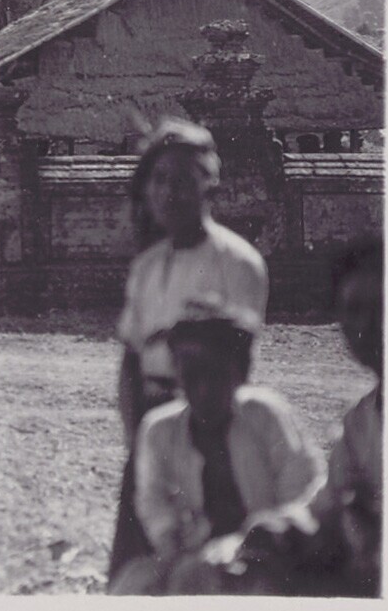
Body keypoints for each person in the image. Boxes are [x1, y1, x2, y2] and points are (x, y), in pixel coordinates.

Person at [107, 119, 269, 584]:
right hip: (151, 426)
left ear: (209, 183)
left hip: (208, 426)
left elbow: (240, 365)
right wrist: (136, 437)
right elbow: (132, 358)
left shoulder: (238, 264)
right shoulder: (146, 268)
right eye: (158, 179)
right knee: (136, 571)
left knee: (208, 566)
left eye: (182, 179)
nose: (168, 192)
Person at [110, 310, 323, 595]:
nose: (204, 390)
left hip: (271, 552)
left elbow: (302, 486)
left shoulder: (265, 415)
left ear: (238, 372)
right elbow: (153, 500)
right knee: (131, 586)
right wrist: (171, 545)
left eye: (216, 375)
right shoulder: (159, 430)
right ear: (176, 372)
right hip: (194, 556)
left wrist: (265, 536)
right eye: (191, 375)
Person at [228, 237, 383, 597]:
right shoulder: (360, 422)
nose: (371, 323)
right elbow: (327, 507)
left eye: (382, 305)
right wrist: (280, 528)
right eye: (354, 309)